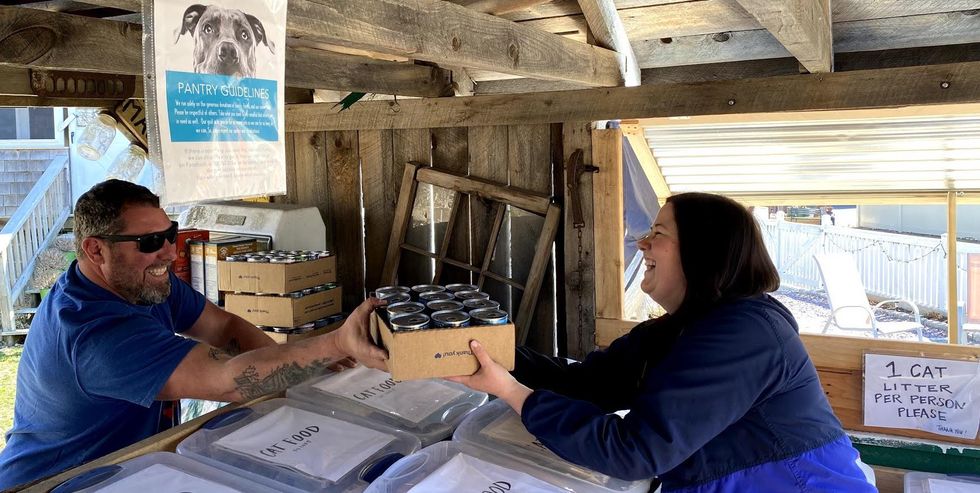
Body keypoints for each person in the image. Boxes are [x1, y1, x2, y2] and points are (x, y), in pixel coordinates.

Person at [450, 192, 876, 492]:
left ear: (703, 251)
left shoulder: (746, 333)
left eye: (658, 233)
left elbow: (636, 450)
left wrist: (510, 391)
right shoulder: (681, 328)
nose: (642, 243)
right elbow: (586, 384)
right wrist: (473, 349)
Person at [0, 180, 387, 489]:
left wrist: (291, 381)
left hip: (129, 468)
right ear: (95, 250)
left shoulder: (141, 283)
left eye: (169, 234)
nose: (169, 252)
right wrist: (334, 344)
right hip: (58, 481)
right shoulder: (94, 333)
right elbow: (228, 382)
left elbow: (225, 328)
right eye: (150, 243)